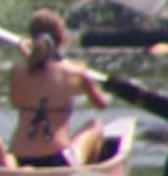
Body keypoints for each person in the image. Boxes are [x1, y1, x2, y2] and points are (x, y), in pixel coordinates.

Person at [8, 11, 120, 167]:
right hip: (56, 158)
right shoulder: (75, 72)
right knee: (95, 125)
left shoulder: (17, 70)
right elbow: (101, 104)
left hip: (18, 156)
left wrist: (28, 56)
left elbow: (16, 102)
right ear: (62, 38)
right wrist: (87, 78)